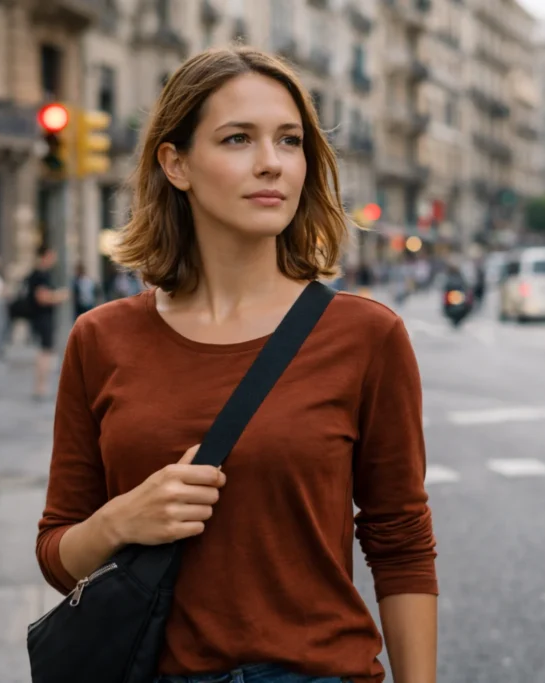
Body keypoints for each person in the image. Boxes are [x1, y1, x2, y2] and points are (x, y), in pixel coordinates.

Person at [35, 46, 437, 683]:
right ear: (176, 163)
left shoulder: (366, 335)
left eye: (289, 140)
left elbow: (401, 540)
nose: (271, 163)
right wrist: (122, 519)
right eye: (237, 139)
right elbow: (58, 554)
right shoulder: (100, 339)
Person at [27, 245, 68, 399]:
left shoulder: (39, 274)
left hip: (43, 317)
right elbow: (42, 297)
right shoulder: (40, 275)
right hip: (43, 317)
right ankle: (41, 387)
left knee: (47, 351)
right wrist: (59, 296)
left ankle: (42, 386)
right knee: (45, 351)